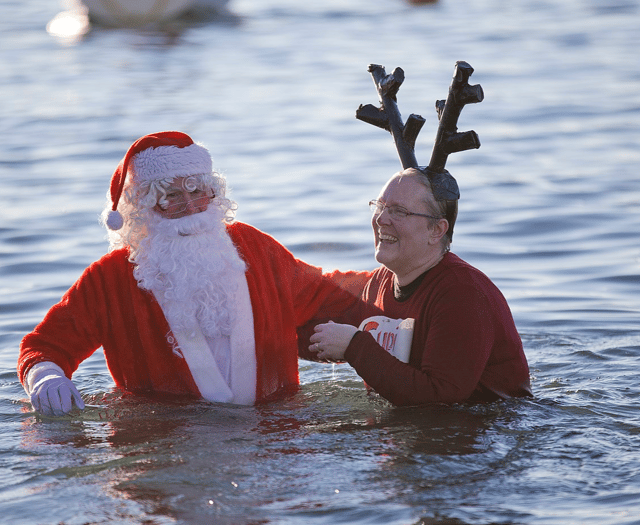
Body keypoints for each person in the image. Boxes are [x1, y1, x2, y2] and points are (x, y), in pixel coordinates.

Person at [17, 131, 363, 416]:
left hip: (273, 440)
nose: (190, 206)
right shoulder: (110, 278)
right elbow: (45, 346)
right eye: (170, 195)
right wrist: (46, 377)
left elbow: (331, 295)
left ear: (214, 193)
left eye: (198, 190)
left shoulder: (256, 249)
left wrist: (402, 286)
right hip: (168, 445)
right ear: (142, 207)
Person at [308, 167, 532, 406]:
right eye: (380, 206)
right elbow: (321, 332)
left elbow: (439, 399)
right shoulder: (378, 284)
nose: (381, 219)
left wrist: (354, 346)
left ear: (436, 230)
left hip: (491, 425)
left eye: (398, 211)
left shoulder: (463, 294)